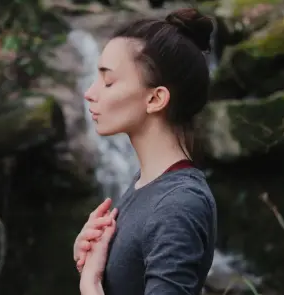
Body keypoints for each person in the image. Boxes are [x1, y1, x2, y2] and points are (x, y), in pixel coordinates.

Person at [73, 7, 217, 295]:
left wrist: (90, 286)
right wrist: (92, 261)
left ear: (155, 98)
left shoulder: (178, 205)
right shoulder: (148, 184)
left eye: (108, 81)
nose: (90, 92)